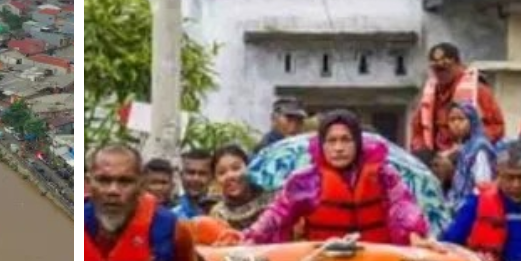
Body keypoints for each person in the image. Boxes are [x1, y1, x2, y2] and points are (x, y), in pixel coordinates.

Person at [244, 110, 432, 246]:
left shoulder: (384, 175)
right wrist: (250, 237)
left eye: (345, 140)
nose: (339, 148)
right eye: (331, 141)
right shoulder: (306, 180)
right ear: (322, 145)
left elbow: (403, 206)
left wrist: (413, 234)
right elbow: (276, 214)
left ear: (357, 143)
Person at [410, 43, 505, 153]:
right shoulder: (429, 93)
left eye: (445, 69)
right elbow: (417, 129)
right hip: (435, 155)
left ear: (458, 65)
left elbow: (497, 127)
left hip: (468, 153)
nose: (441, 74)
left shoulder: (478, 90)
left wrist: (470, 146)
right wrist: (421, 148)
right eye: (437, 69)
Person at [209, 145, 274, 231]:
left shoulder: (272, 198)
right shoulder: (218, 214)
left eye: (236, 168)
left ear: (249, 167)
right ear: (215, 179)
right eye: (222, 172)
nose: (230, 176)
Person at [446, 102, 497, 211]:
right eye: (452, 120)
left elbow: (483, 185)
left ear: (472, 120)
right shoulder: (465, 147)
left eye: (461, 119)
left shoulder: (479, 148)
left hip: (473, 209)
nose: (456, 124)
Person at [173, 148, 218, 219]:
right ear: (181, 175)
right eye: (191, 172)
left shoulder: (221, 211)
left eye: (202, 173)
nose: (196, 179)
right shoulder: (170, 213)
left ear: (212, 177)